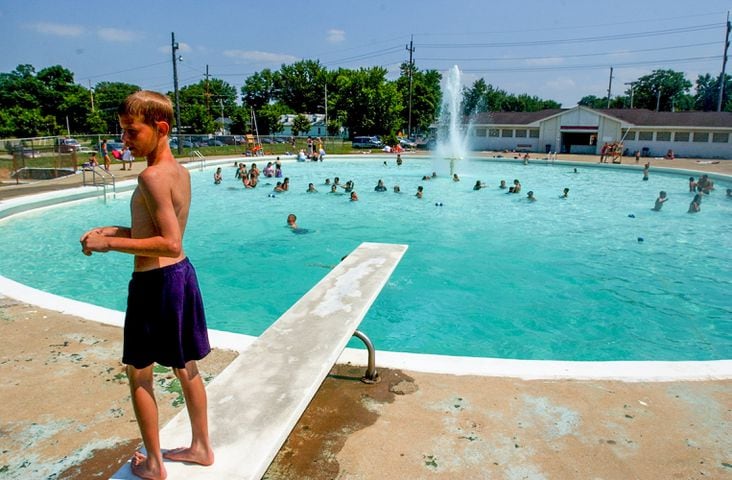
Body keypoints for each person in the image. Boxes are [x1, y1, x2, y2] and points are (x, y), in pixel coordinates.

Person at [79, 91, 213, 479]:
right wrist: (116, 231)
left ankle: (154, 465)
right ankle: (202, 447)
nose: (124, 141)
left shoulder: (150, 176)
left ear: (161, 128)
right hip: (180, 276)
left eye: (130, 131)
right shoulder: (179, 172)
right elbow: (159, 232)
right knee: (186, 366)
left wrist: (109, 244)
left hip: (155, 282)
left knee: (139, 371)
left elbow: (169, 241)